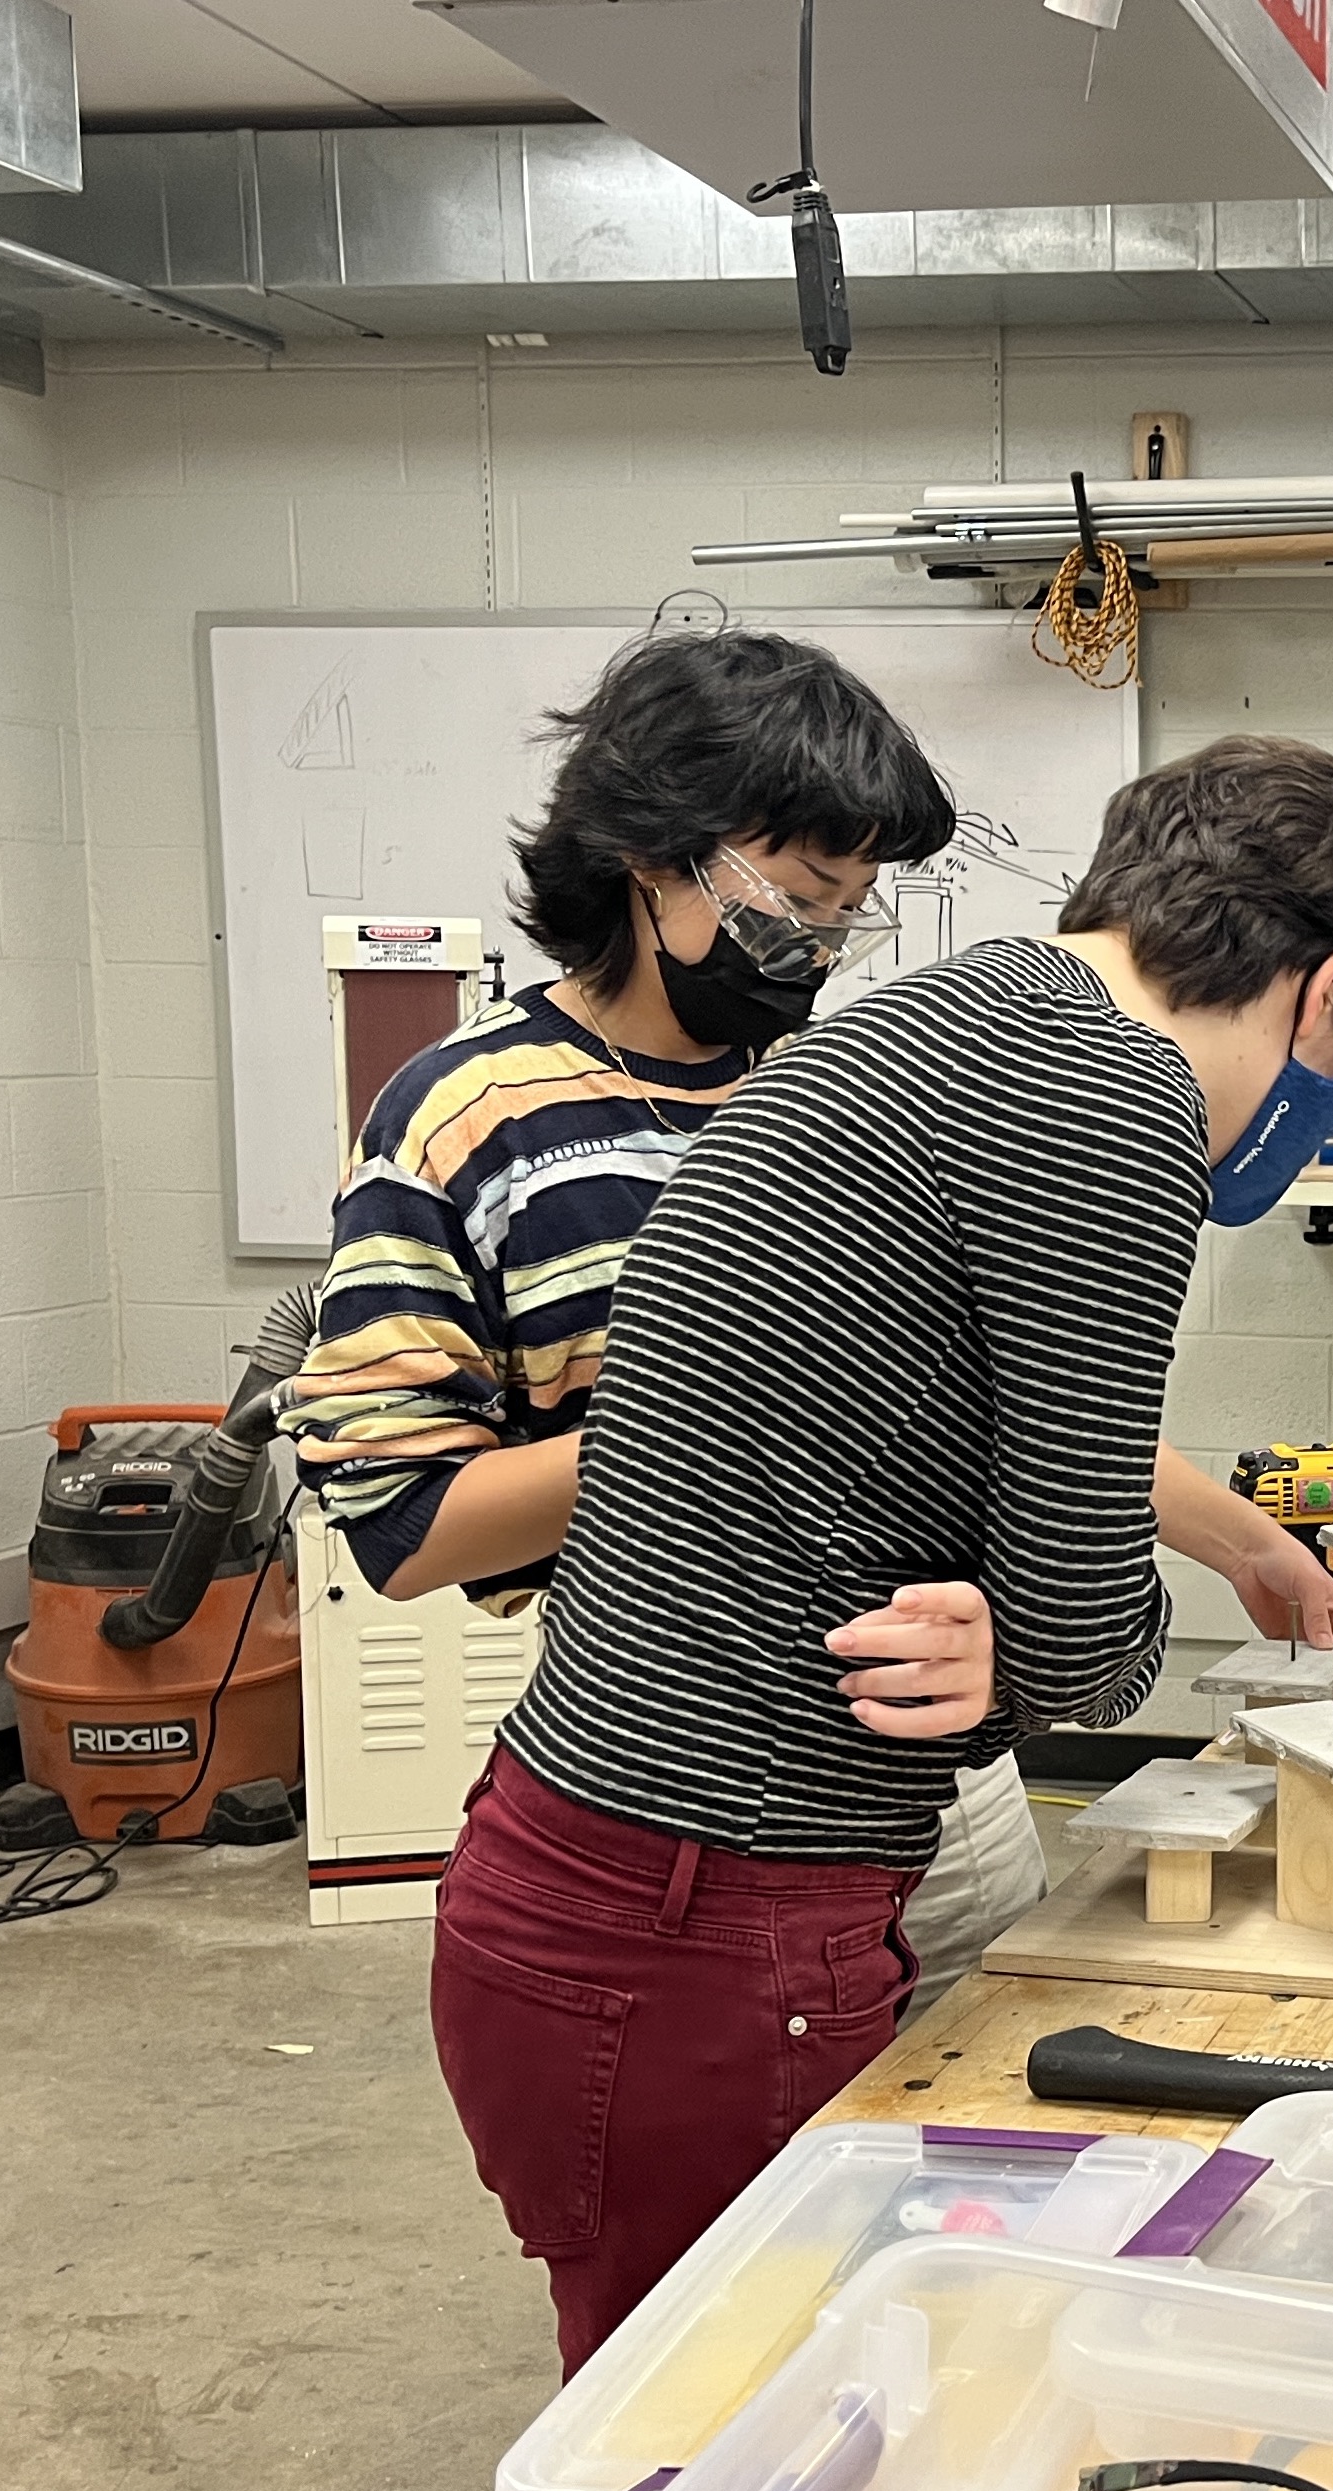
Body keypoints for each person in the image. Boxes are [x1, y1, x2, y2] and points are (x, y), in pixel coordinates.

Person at [427, 732, 1333, 2372]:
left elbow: (961, 1430)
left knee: (740, 2397)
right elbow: (1077, 1649)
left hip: (593, 1890)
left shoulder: (963, 1013)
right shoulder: (1123, 1106)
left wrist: (1098, 1582)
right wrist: (1052, 1639)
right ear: (1327, 993)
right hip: (701, 1928)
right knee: (725, 2431)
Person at [283, 628, 1038, 1993]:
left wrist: (1247, 1546)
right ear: (653, 853)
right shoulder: (466, 1114)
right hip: (698, 1782)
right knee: (748, 2188)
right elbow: (401, 1528)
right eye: (797, 894)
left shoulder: (841, 1096)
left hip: (951, 1779)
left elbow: (1014, 1391)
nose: (815, 943)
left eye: (848, 907)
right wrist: (706, 1427)